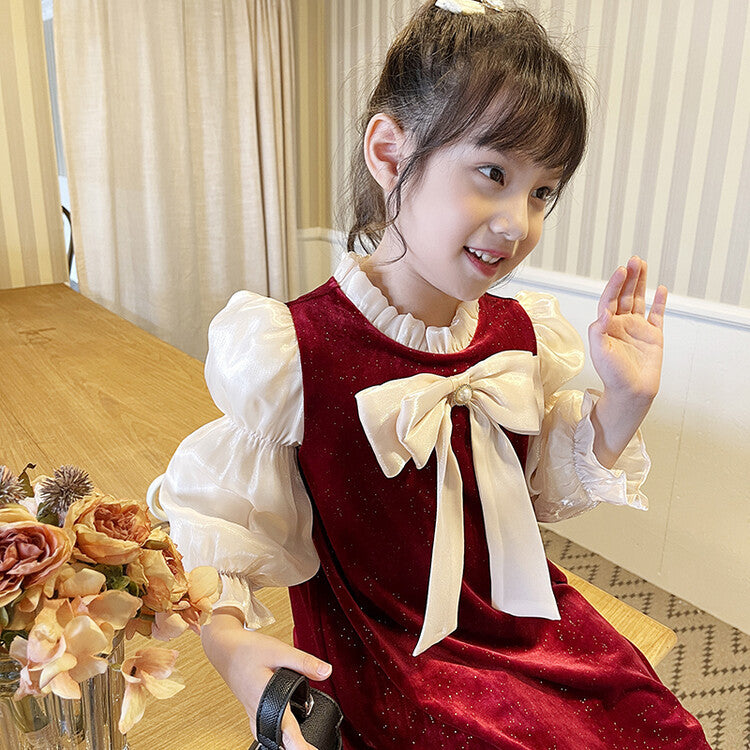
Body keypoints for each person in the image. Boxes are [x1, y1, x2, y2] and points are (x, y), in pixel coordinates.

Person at [156, 1, 711, 747]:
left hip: (522, 624)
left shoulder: (522, 334)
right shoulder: (293, 352)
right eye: (492, 172)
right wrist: (228, 642)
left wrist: (623, 403)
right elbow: (225, 522)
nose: (519, 223)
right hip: (387, 654)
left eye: (542, 191)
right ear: (388, 153)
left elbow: (537, 493)